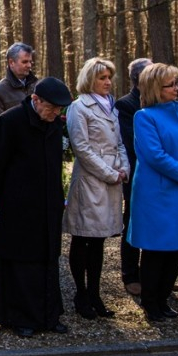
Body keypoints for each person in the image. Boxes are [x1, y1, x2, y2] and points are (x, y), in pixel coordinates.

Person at [0, 78, 72, 337]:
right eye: (52, 108)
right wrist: (8, 201)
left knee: (48, 261)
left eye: (60, 110)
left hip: (48, 207)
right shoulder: (10, 122)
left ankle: (49, 314)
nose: (56, 113)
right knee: (21, 265)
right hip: (19, 208)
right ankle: (20, 316)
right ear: (36, 100)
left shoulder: (54, 124)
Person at [127, 63, 178, 323]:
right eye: (170, 85)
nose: (176, 89)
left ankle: (163, 298)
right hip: (158, 194)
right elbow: (155, 156)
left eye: (176, 83)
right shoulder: (144, 117)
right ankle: (151, 302)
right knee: (158, 248)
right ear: (154, 89)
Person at [63, 57, 130, 320]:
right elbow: (82, 148)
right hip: (91, 182)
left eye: (109, 77)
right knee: (83, 238)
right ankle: (81, 294)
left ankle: (95, 293)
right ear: (90, 79)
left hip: (112, 180)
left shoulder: (111, 107)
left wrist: (123, 168)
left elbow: (120, 143)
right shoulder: (79, 108)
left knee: (100, 241)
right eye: (102, 78)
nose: (108, 82)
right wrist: (109, 173)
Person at [116, 58, 151, 297]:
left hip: (160, 178)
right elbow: (132, 142)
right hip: (138, 173)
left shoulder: (158, 104)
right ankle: (130, 274)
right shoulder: (126, 105)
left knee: (155, 224)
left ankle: (153, 273)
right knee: (133, 223)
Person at [0, 42, 36, 118]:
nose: (29, 65)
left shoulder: (38, 86)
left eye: (30, 62)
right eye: (25, 62)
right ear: (11, 62)